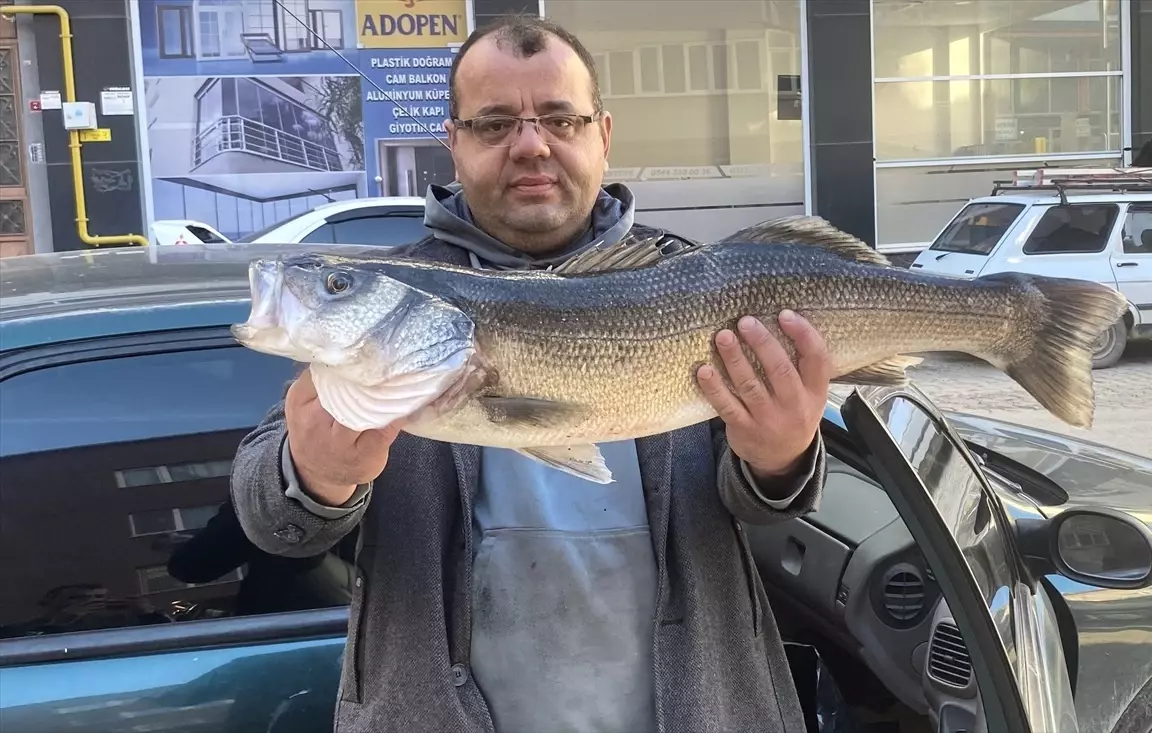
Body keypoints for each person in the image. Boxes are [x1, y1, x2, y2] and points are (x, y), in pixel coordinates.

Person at [231, 14, 832, 733]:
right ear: (453, 143)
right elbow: (270, 517)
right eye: (494, 124)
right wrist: (316, 476)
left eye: (560, 119)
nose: (531, 145)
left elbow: (764, 511)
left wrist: (781, 459)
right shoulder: (393, 299)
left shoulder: (698, 284)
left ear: (602, 135)